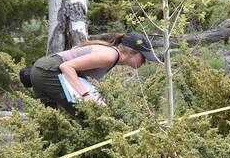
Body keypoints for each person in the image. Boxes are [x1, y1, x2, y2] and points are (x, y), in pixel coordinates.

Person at [30, 32, 159, 115]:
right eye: (144, 57)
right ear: (132, 52)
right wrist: (86, 95)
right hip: (49, 71)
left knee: (52, 122)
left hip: (45, 70)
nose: (145, 61)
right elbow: (67, 66)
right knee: (88, 115)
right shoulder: (109, 56)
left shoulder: (111, 55)